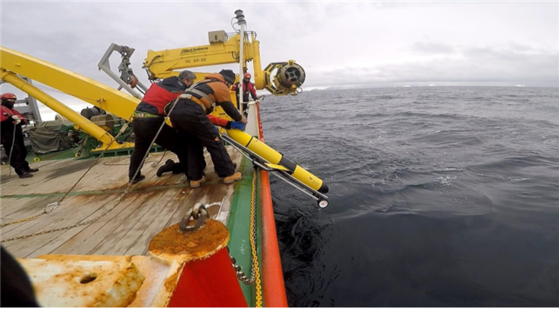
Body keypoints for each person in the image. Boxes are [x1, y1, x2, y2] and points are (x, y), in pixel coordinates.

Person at [169, 69, 246, 188]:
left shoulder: (201, 83)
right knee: (214, 141)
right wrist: (240, 118)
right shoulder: (220, 85)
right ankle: (228, 174)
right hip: (192, 111)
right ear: (227, 81)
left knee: (192, 145)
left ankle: (196, 178)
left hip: (175, 112)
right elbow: (229, 107)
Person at [128, 70, 195, 184]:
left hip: (137, 119)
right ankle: (192, 176)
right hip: (152, 122)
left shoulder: (157, 85)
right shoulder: (179, 92)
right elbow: (176, 113)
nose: (191, 85)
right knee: (181, 146)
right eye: (191, 82)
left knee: (140, 150)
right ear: (185, 80)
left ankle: (134, 176)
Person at [1, 93, 38, 178]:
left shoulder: (12, 110)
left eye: (13, 101)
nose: (12, 102)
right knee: (15, 151)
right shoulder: (1, 109)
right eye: (10, 101)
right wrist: (9, 120)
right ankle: (20, 171)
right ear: (4, 100)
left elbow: (22, 118)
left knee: (22, 150)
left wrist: (22, 121)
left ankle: (25, 167)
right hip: (6, 134)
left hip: (17, 133)